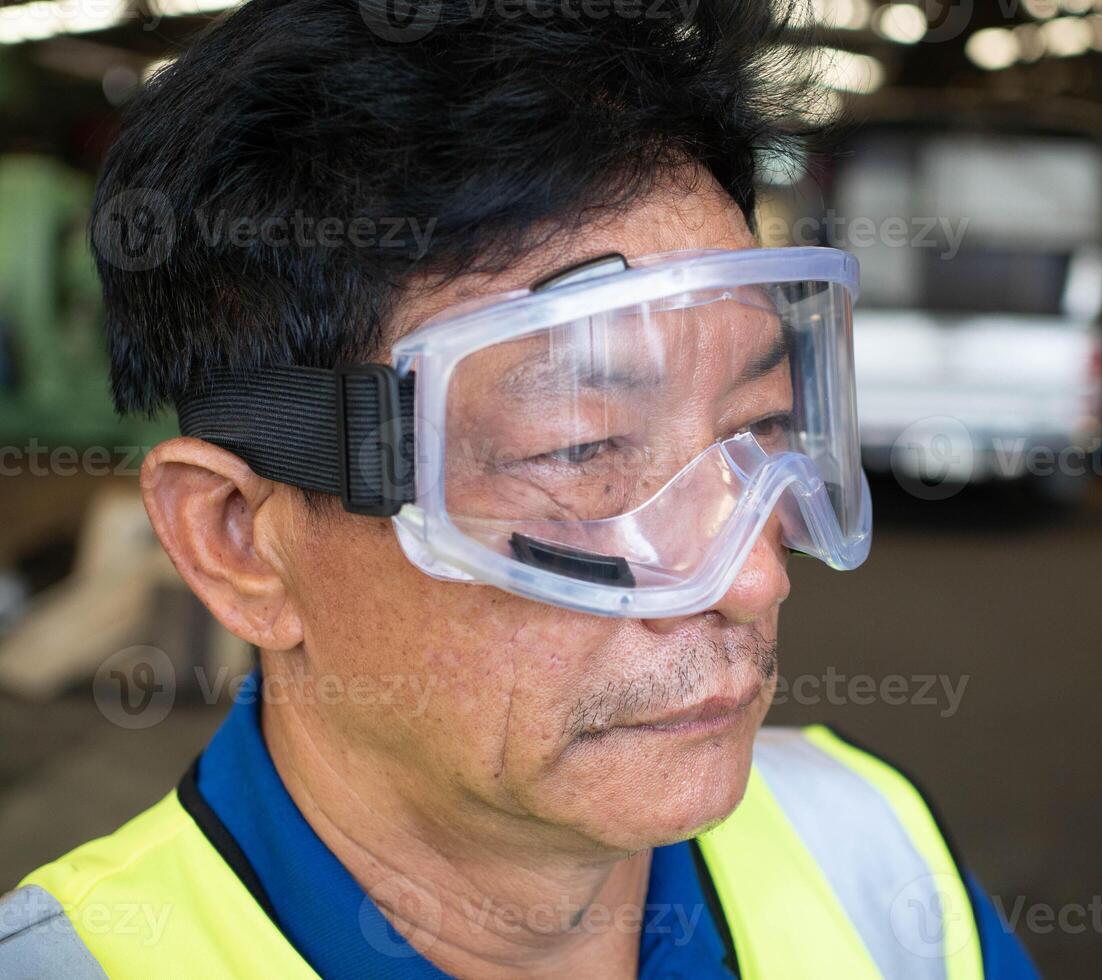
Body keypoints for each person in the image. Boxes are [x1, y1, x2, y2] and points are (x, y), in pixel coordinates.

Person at [1, 0, 1037, 976]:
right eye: (580, 449)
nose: (752, 577)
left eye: (759, 425)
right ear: (237, 541)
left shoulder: (875, 857)